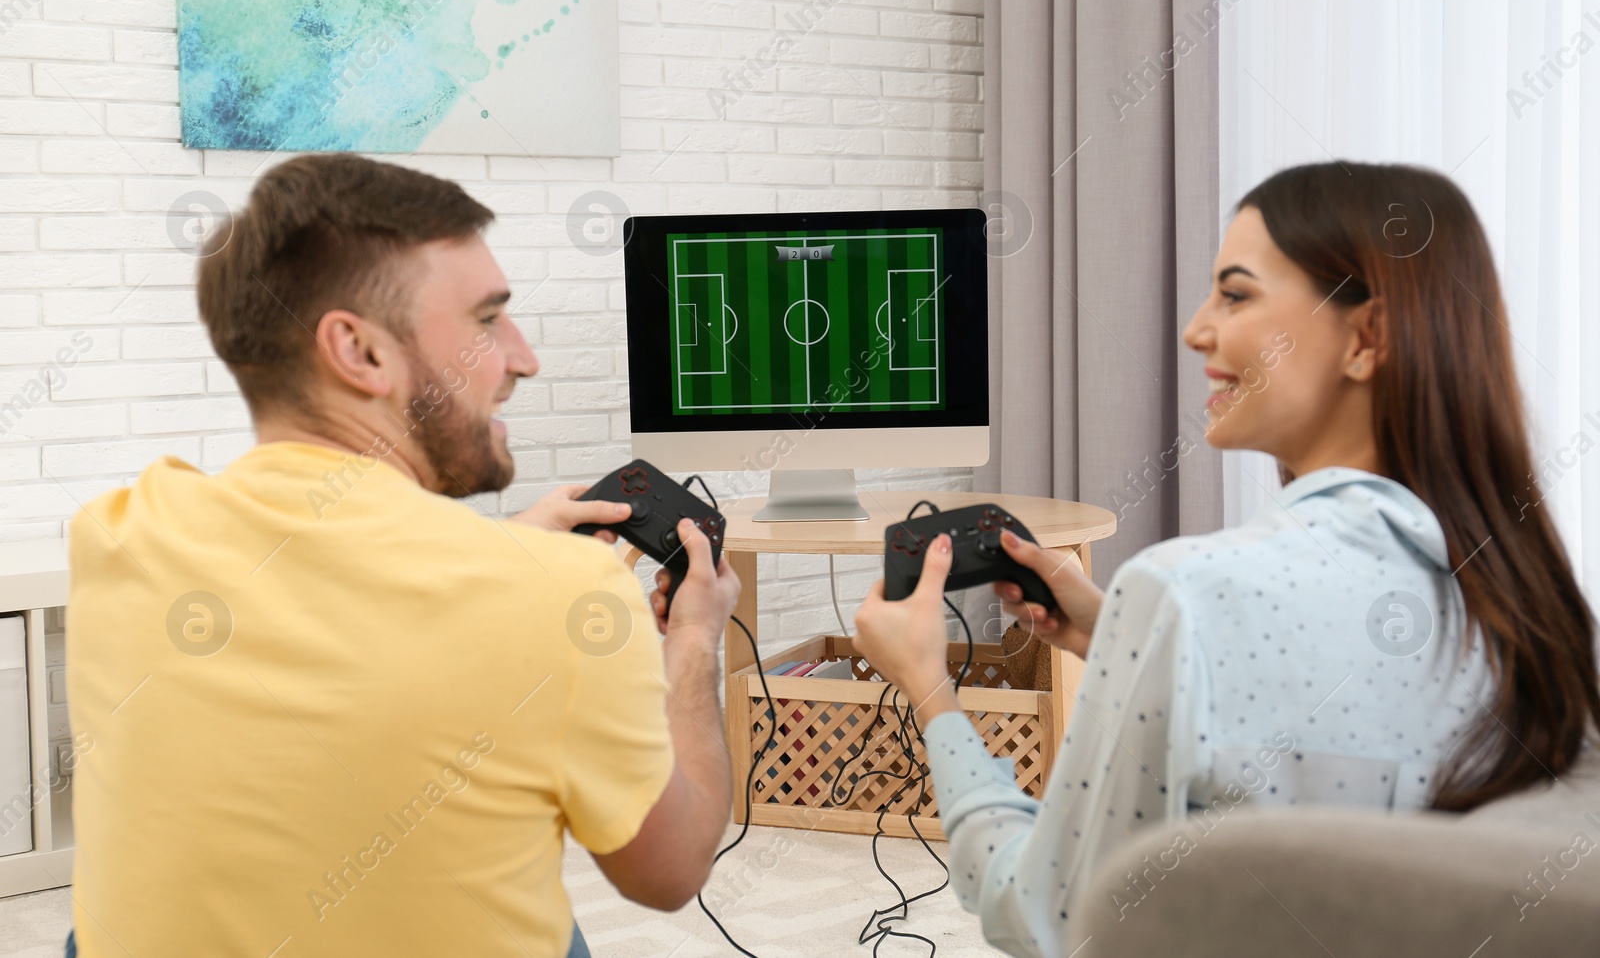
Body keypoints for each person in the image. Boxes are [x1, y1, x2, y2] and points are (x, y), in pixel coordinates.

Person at [852, 161, 1600, 958]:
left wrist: (931, 692)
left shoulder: (1183, 591)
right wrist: (1123, 635)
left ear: (1366, 336)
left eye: (1236, 293)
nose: (1196, 329)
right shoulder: (1532, 608)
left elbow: (1041, 913)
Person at [64, 154, 740, 957]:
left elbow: (312, 574)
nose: (524, 358)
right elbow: (669, 873)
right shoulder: (564, 593)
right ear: (360, 352)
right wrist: (694, 641)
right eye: (488, 320)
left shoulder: (119, 530)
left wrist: (499, 552)